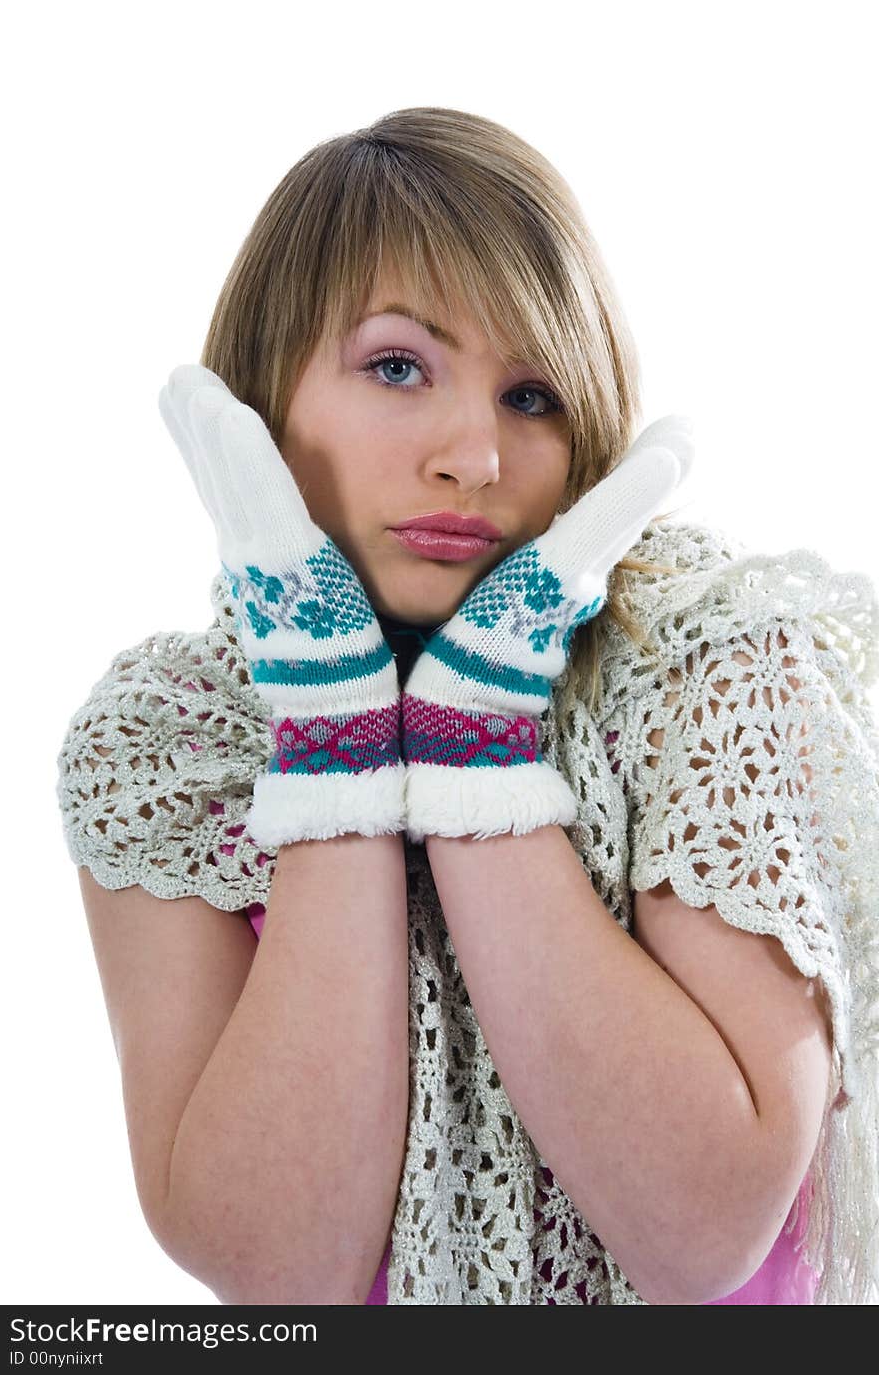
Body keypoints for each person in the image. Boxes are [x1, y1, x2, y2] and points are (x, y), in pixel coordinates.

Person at [55, 106, 879, 1305]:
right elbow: (281, 1277)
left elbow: (703, 1231)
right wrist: (334, 743)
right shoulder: (167, 740)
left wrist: (477, 752)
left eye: (533, 396)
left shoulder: (709, 667)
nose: (475, 458)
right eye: (398, 366)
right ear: (257, 397)